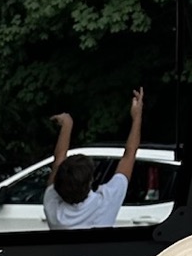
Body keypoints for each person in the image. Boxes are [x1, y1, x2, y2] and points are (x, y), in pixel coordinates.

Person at [44, 88, 144, 229]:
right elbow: (129, 155)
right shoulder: (104, 203)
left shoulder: (53, 209)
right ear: (90, 181)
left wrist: (67, 126)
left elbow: (58, 161)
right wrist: (137, 116)